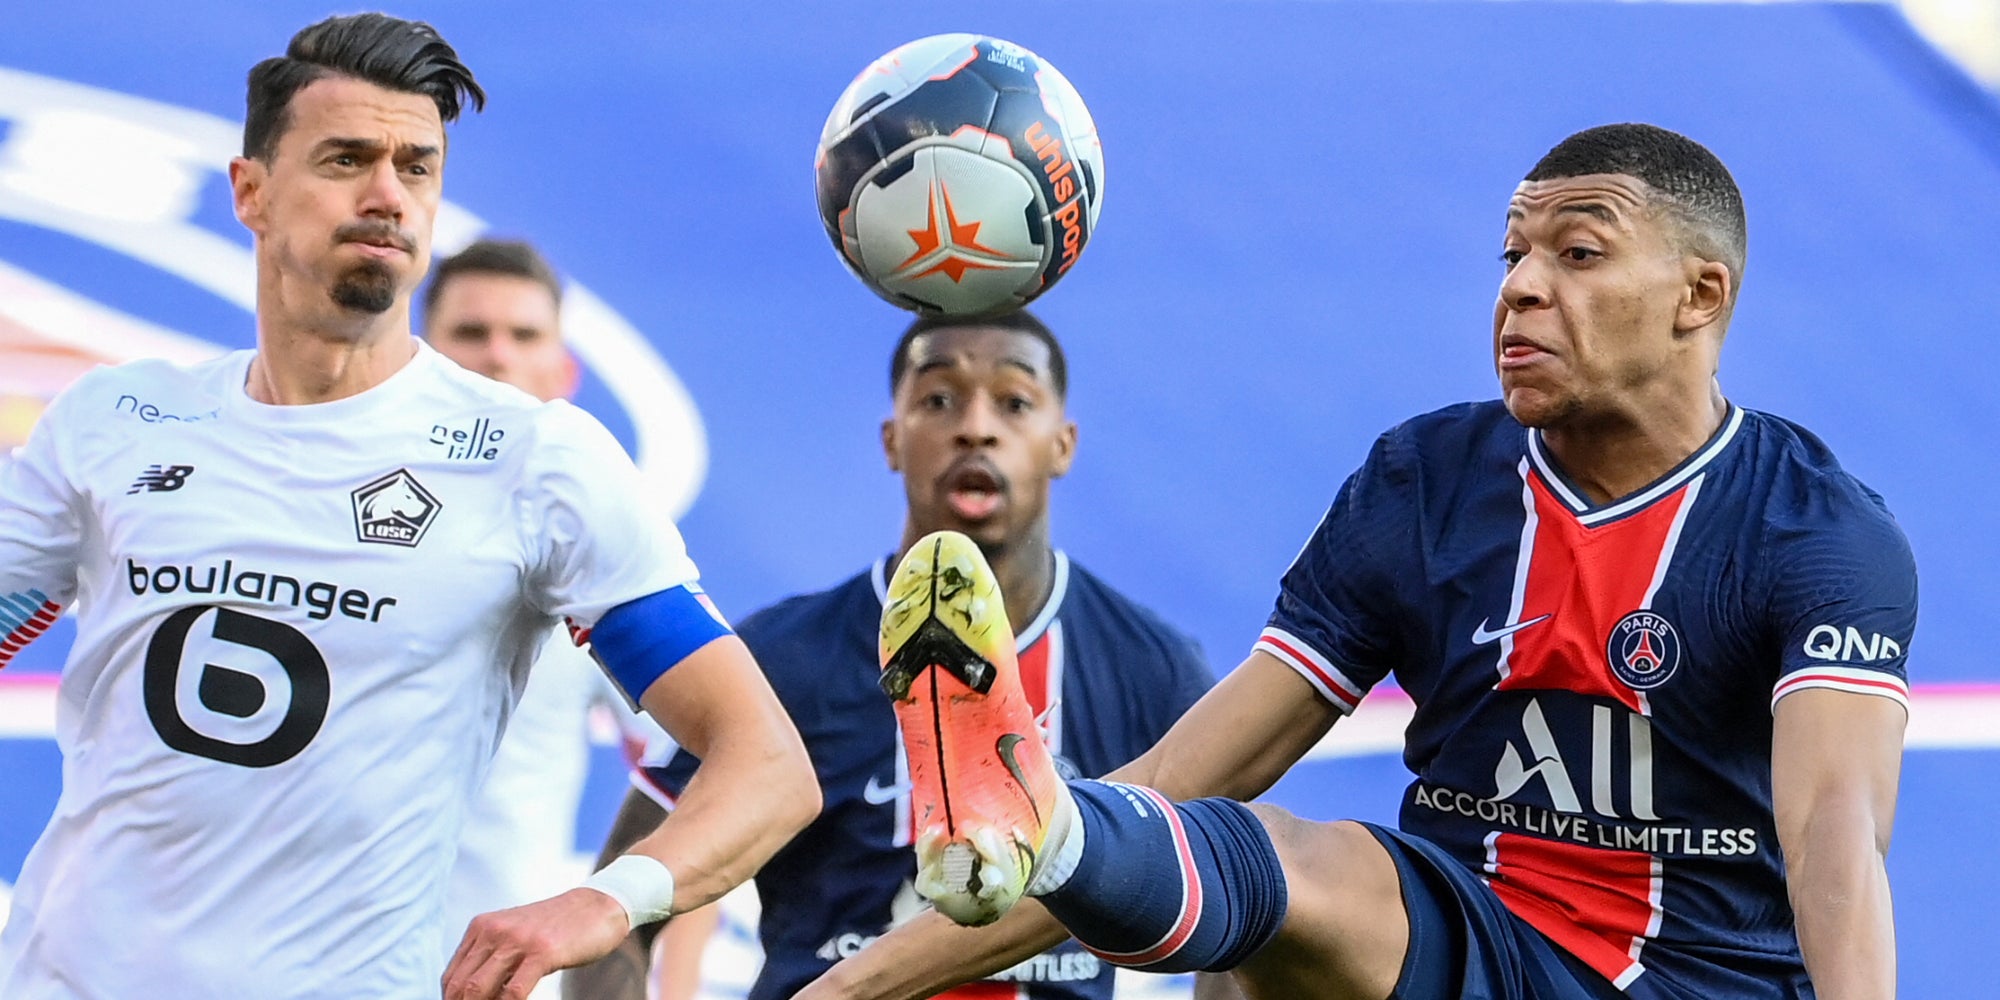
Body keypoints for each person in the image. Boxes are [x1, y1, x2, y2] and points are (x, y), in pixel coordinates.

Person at [802, 123, 1917, 1000]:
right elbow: (1187, 778)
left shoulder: (1813, 533)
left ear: (1699, 297)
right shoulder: (1424, 481)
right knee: (1262, 881)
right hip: (1462, 936)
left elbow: (1834, 838)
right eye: (1513, 253)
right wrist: (848, 988)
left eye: (1575, 254)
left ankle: (1047, 827)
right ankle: (1040, 823)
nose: (1521, 286)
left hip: (1700, 980)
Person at [0, 15, 817, 1000]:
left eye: (417, 166)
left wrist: (601, 901)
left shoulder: (534, 461)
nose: (388, 194)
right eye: (348, 158)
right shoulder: (114, 422)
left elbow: (765, 763)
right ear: (250, 191)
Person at [565, 310, 1223, 1000]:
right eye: (937, 400)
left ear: (1063, 443)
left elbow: (1242, 916)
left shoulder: (1153, 669)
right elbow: (612, 916)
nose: (975, 427)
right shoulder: (782, 658)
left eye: (1014, 402)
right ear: (891, 439)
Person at [421, 238, 664, 994]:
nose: (497, 356)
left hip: (493, 986)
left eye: (523, 336)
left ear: (565, 372)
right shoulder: (322, 520)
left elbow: (696, 769)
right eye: (470, 333)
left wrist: (651, 965)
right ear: (417, 355)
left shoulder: (598, 554)